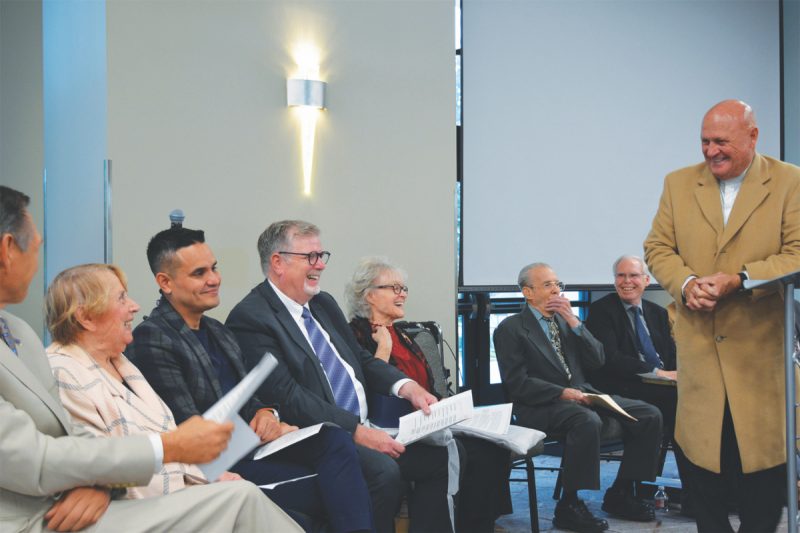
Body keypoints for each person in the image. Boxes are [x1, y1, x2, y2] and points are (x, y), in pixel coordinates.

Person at [0, 185, 300, 533]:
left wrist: (103, 483)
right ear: (8, 250)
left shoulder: (18, 331)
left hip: (102, 489)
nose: (135, 307)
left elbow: (72, 436)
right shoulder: (135, 345)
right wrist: (166, 450)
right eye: (36, 246)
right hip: (40, 517)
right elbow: (31, 457)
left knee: (254, 489)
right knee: (242, 499)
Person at [125, 226, 374, 533]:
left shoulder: (218, 331)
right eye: (199, 273)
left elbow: (250, 396)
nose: (214, 279)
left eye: (214, 268)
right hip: (213, 465)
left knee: (334, 441)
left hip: (251, 448)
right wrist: (255, 426)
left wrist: (266, 414)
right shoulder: (153, 339)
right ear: (165, 282)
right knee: (340, 489)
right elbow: (187, 429)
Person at [226, 220, 454, 533]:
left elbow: (359, 359)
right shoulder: (252, 317)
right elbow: (288, 395)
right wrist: (356, 431)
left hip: (366, 425)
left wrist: (407, 387)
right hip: (320, 437)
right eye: (310, 257)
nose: (320, 265)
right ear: (277, 262)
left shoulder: (322, 304)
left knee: (439, 458)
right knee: (384, 472)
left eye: (322, 255)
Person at [644, 99, 800, 532]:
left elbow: (797, 252)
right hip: (700, 358)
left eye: (722, 142)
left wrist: (741, 279)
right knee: (701, 468)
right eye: (705, 142)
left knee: (762, 474)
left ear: (752, 137)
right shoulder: (677, 184)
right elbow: (657, 248)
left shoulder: (790, 182)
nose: (711, 151)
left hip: (759, 357)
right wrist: (688, 283)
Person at [45, 263, 243, 500]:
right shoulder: (63, 373)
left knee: (252, 496)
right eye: (121, 299)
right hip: (139, 507)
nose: (135, 307)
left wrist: (213, 475)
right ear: (86, 317)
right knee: (245, 498)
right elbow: (101, 465)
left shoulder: (120, 363)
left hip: (179, 491)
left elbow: (165, 437)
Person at [345, 256, 513, 533]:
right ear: (369, 295)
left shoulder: (406, 335)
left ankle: (476, 526)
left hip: (428, 422)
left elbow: (428, 386)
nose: (402, 294)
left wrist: (445, 405)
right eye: (394, 288)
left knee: (492, 449)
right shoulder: (354, 335)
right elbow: (362, 393)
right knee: (457, 452)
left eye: (404, 288)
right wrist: (383, 350)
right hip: (392, 429)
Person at [493, 262, 663, 533]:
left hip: (583, 393)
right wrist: (561, 392)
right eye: (548, 285)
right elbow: (518, 383)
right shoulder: (511, 329)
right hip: (540, 404)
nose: (556, 290)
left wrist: (574, 322)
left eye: (558, 284)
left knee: (649, 414)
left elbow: (598, 360)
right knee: (586, 420)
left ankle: (621, 492)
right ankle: (569, 505)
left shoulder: (566, 321)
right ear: (528, 292)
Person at [585, 255, 690, 509]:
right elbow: (611, 359)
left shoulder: (656, 312)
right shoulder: (602, 311)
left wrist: (681, 373)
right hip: (619, 383)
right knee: (678, 405)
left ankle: (703, 488)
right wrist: (658, 373)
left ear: (646, 280)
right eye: (621, 276)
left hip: (660, 385)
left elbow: (671, 354)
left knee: (700, 399)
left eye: (633, 276)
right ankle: (626, 492)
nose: (626, 281)